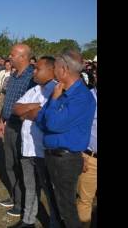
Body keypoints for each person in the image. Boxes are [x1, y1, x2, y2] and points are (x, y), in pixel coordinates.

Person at [32, 50, 96, 228]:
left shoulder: (81, 97)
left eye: (56, 68)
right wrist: (51, 111)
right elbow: (41, 118)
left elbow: (51, 123)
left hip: (65, 160)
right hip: (53, 156)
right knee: (56, 204)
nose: (54, 71)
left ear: (64, 69)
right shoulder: (62, 91)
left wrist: (53, 101)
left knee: (66, 209)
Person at [9, 56, 61, 228]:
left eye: (38, 69)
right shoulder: (35, 89)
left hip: (44, 150)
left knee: (49, 189)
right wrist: (34, 108)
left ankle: (55, 222)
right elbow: (16, 108)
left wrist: (30, 111)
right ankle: (28, 220)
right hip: (28, 148)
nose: (34, 72)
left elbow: (45, 115)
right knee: (30, 186)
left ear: (51, 70)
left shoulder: (57, 90)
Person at [0, 44, 36, 217]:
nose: (9, 57)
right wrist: (1, 118)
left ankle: (22, 204)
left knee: (22, 166)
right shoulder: (13, 75)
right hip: (9, 125)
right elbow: (8, 100)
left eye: (12, 54)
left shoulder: (32, 77)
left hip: (23, 127)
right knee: (10, 164)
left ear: (22, 57)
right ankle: (15, 197)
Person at [76, 78, 97, 226]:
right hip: (90, 159)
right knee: (85, 200)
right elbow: (76, 128)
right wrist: (80, 155)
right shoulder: (86, 98)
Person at [0, 60, 12, 125]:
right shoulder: (1, 72)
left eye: (9, 65)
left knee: (7, 107)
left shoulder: (12, 73)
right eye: (6, 65)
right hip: (1, 92)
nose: (7, 66)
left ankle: (5, 121)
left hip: (8, 93)